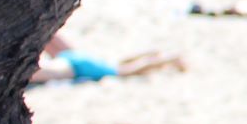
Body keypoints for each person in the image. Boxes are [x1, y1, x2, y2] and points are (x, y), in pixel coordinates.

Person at [29, 32, 185, 83]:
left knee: (124, 71)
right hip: (67, 58)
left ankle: (169, 59)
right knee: (115, 64)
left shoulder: (28, 73)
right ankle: (151, 54)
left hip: (77, 67)